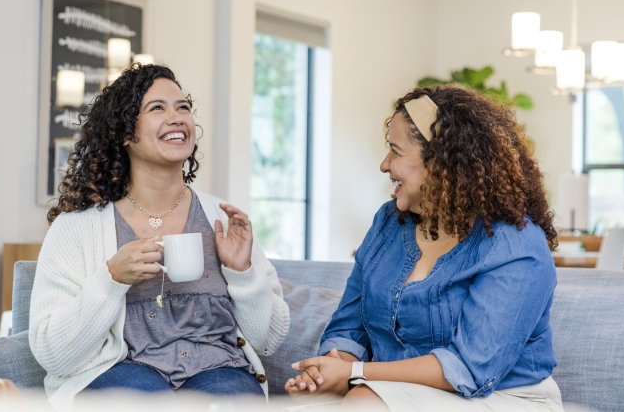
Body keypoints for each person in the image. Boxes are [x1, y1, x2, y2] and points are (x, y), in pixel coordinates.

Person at [285, 85, 563, 411]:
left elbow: (470, 368)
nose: (384, 164)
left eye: (395, 151)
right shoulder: (388, 222)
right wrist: (329, 368)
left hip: (502, 397)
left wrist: (354, 373)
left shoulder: (515, 243)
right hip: (389, 389)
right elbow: (349, 325)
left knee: (363, 402)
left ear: (442, 163)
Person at [29, 64, 289, 408]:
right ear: (125, 133)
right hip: (121, 371)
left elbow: (268, 341)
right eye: (157, 108)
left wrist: (243, 274)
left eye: (183, 107)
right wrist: (111, 279)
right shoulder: (77, 228)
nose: (177, 117)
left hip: (219, 369)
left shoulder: (223, 220)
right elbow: (53, 354)